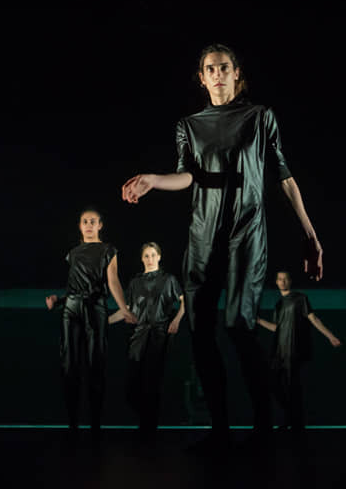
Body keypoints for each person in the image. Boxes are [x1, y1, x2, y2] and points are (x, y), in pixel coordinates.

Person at [122, 43, 324, 447]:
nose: (217, 74)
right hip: (202, 238)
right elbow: (189, 176)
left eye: (224, 67)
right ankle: (220, 429)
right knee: (199, 331)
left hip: (245, 234)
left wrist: (310, 234)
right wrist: (153, 179)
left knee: (237, 324)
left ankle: (264, 424)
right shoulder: (189, 125)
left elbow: (284, 177)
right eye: (210, 69)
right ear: (202, 78)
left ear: (236, 74)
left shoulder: (259, 117)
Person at [45, 208, 136, 437]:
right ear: (79, 226)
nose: (88, 225)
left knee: (96, 365)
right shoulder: (73, 253)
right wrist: (58, 300)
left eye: (92, 221)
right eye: (84, 221)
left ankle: (95, 425)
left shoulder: (108, 250)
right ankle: (73, 425)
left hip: (95, 308)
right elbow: (74, 286)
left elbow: (112, 281)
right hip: (71, 309)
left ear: (100, 225)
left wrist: (124, 308)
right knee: (69, 365)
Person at [107, 241, 185, 438]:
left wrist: (176, 320)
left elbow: (185, 302)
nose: (150, 259)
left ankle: (148, 430)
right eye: (146, 256)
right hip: (138, 336)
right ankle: (147, 422)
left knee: (151, 383)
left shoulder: (169, 280)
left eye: (153, 255)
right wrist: (105, 322)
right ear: (142, 259)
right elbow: (127, 310)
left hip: (159, 336)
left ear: (159, 257)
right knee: (132, 388)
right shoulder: (135, 282)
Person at [257, 270, 341, 435]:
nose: (283, 281)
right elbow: (276, 328)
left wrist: (330, 336)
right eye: (280, 279)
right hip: (279, 352)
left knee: (292, 387)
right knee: (273, 383)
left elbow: (313, 318)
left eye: (285, 279)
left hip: (293, 350)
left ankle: (296, 424)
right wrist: (259, 321)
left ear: (290, 281)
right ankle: (291, 416)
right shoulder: (278, 304)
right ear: (276, 282)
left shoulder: (300, 298)